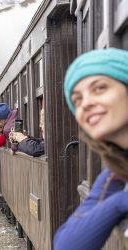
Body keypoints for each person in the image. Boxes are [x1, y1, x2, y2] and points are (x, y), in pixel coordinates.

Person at [54, 48, 128, 250]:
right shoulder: (117, 171)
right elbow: (66, 245)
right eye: (77, 99)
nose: (85, 103)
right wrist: (119, 202)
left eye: (100, 88)